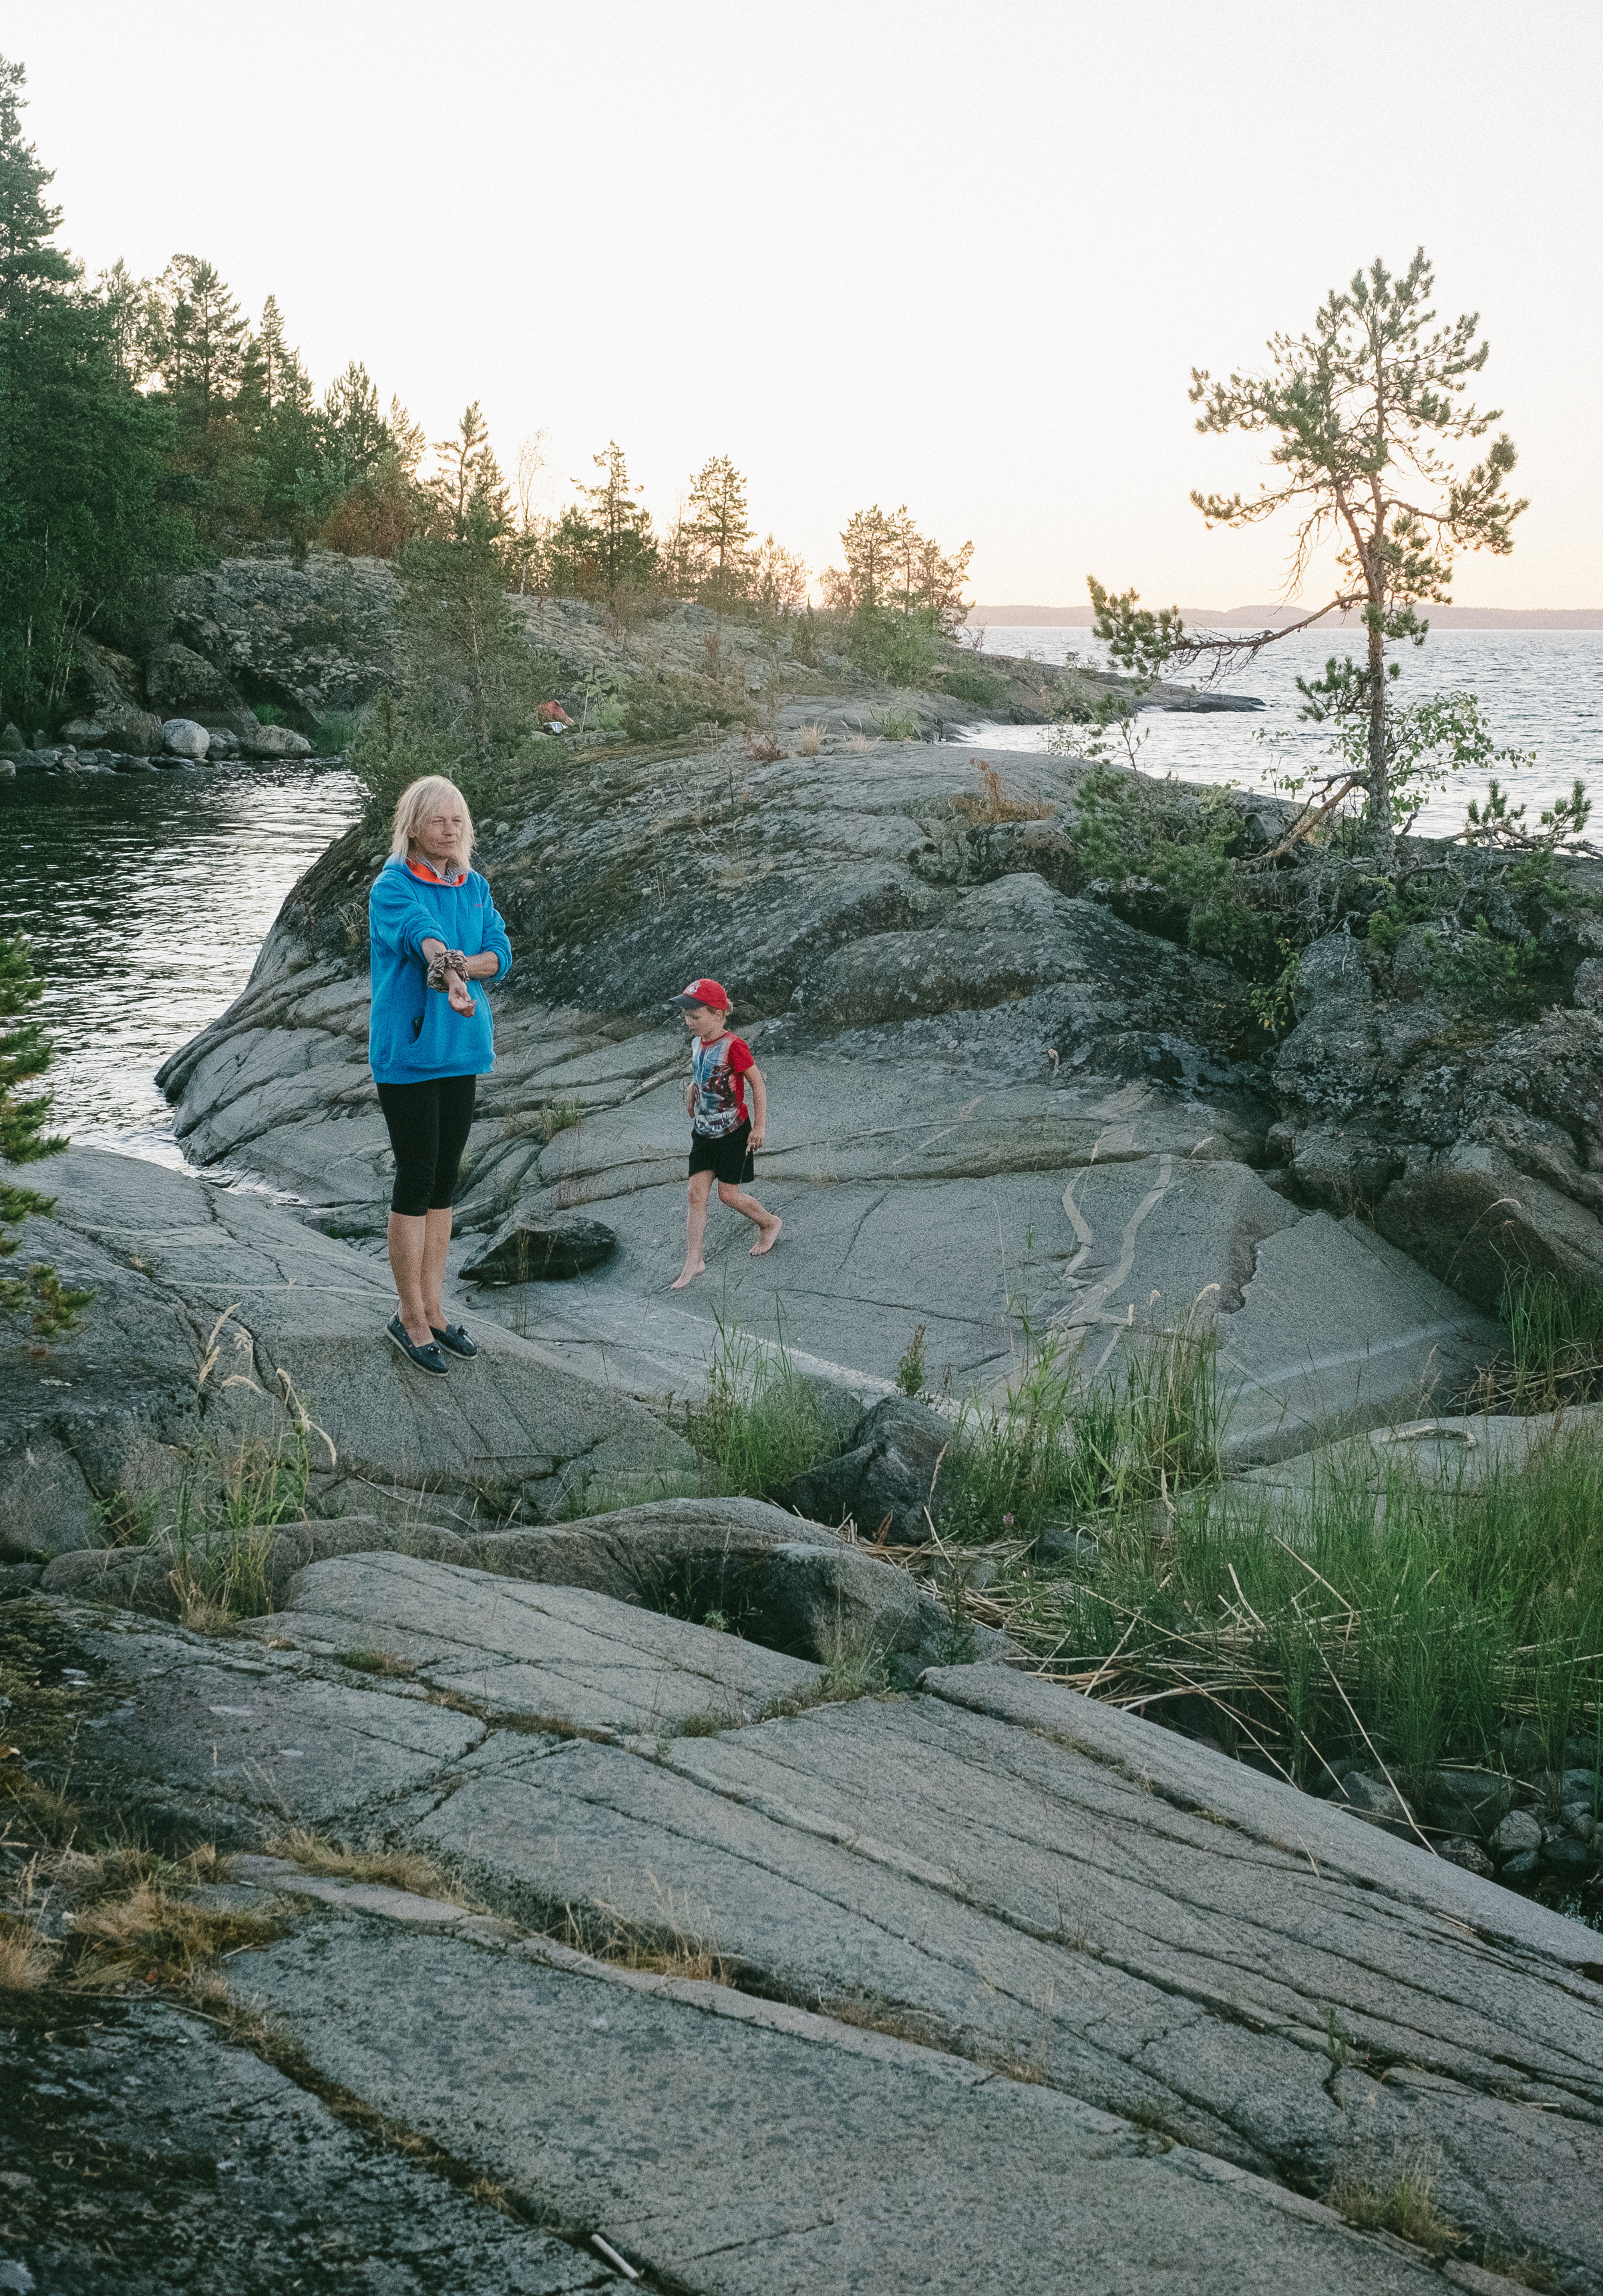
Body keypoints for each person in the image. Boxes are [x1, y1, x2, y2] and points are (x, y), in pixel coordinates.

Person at [368, 775, 512, 1374]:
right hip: (409, 1052)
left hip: (463, 1050)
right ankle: (408, 1316)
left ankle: (434, 1306)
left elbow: (499, 952)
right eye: (438, 822)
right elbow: (417, 933)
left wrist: (465, 967)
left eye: (457, 821)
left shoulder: (475, 886)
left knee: (446, 1178)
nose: (449, 831)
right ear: (414, 826)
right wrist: (450, 971)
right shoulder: (395, 883)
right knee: (417, 1172)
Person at [669, 977, 781, 1290]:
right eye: (686, 1017)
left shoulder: (735, 1045)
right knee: (695, 1195)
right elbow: (703, 1073)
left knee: (728, 1195)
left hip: (733, 1131)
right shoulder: (697, 1042)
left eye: (696, 1016)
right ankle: (694, 1259)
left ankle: (769, 1223)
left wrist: (759, 1126)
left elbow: (758, 1083)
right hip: (703, 1131)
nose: (689, 1022)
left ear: (718, 1014)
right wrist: (693, 1087)